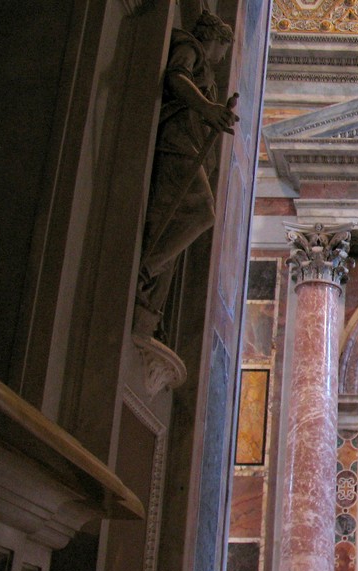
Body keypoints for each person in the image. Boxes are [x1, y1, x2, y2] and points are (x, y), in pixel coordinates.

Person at [134, 10, 238, 338]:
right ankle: (144, 271)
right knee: (197, 212)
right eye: (224, 48)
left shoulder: (203, 63)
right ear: (214, 39)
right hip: (177, 142)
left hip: (189, 144)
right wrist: (209, 109)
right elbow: (176, 77)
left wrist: (212, 115)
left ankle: (150, 309)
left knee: (180, 225)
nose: (223, 58)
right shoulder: (188, 46)